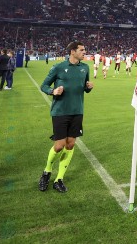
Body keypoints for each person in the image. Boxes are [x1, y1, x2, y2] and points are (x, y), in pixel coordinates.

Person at [38, 41, 93, 194]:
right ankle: (46, 172)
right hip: (60, 111)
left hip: (77, 111)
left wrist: (88, 88)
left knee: (70, 145)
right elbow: (44, 86)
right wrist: (52, 91)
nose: (84, 52)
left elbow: (84, 87)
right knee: (59, 145)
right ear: (72, 52)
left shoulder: (85, 68)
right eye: (82, 50)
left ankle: (59, 179)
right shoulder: (59, 67)